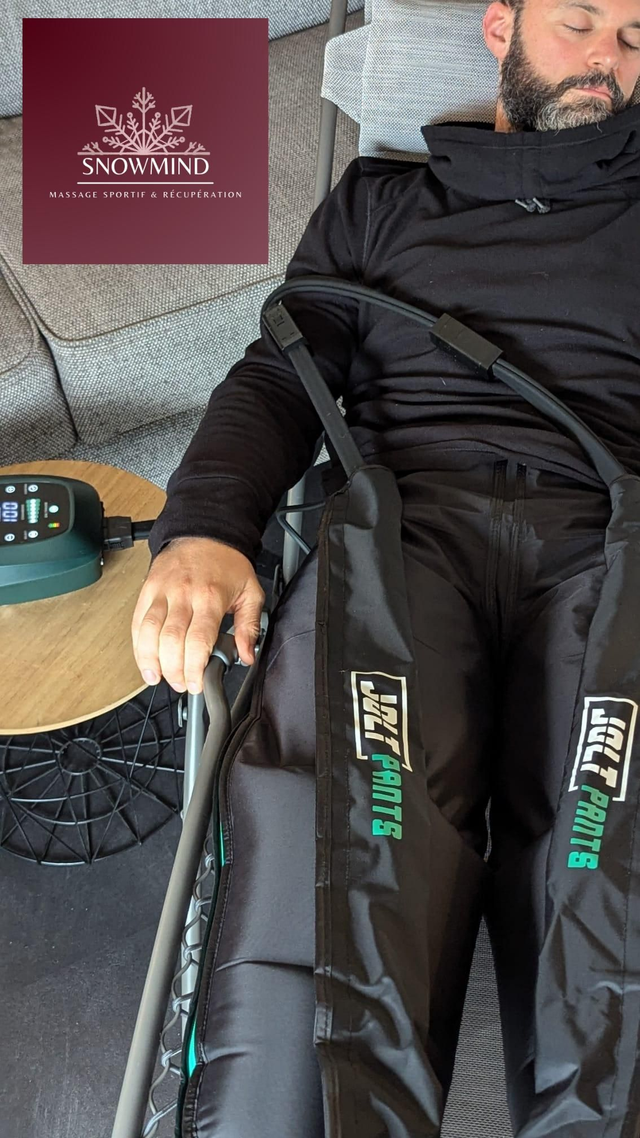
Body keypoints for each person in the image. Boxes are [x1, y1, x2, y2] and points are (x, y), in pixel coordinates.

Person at [131, 0, 640, 1132]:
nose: (605, 59)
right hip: (405, 536)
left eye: (635, 40)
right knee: (360, 830)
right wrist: (207, 524)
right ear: (501, 28)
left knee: (609, 849)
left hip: (610, 544)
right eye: (581, 22)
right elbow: (281, 371)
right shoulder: (380, 201)